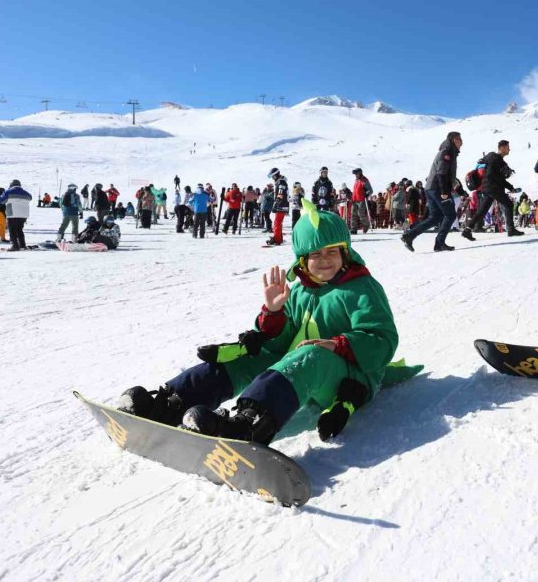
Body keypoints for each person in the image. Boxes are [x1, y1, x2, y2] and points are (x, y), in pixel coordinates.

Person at [117, 199, 413, 446]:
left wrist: (335, 345)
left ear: (345, 252)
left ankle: (249, 423)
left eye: (332, 251)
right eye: (315, 254)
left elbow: (383, 340)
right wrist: (273, 313)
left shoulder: (361, 288)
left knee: (309, 356)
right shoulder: (299, 291)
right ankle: (172, 403)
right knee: (252, 356)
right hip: (302, 368)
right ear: (301, 260)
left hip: (350, 377)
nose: (324, 260)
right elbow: (279, 345)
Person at [401, 131, 462, 252]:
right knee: (450, 215)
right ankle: (439, 243)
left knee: (435, 217)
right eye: (460, 139)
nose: (462, 142)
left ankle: (409, 236)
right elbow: (441, 172)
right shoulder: (448, 151)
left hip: (431, 188)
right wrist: (444, 191)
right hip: (438, 188)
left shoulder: (448, 151)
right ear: (454, 139)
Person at [462, 140, 523, 239]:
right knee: (508, 204)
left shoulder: (492, 158)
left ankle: (467, 230)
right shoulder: (496, 159)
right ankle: (511, 229)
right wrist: (500, 182)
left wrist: (510, 187)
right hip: (493, 188)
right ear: (502, 148)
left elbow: (498, 177)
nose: (509, 150)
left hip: (486, 187)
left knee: (482, 211)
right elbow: (492, 175)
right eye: (508, 147)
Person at [0, 180, 33, 251]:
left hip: (12, 214)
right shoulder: (26, 193)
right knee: (19, 230)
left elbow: (1, 201)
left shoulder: (8, 192)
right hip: (24, 215)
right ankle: (22, 246)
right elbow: (30, 198)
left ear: (11, 185)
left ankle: (15, 246)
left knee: (12, 230)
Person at [268, 168, 289, 246]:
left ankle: (277, 240)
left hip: (281, 205)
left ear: (276, 174)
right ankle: (279, 238)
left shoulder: (281, 182)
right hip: (282, 204)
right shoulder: (279, 182)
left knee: (277, 222)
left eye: (272, 176)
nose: (272, 178)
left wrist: (276, 204)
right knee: (278, 222)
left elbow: (280, 194)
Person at [350, 168, 372, 234]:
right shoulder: (356, 180)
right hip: (354, 199)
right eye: (355, 174)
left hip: (361, 200)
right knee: (353, 214)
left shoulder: (365, 180)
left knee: (360, 214)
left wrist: (366, 193)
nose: (355, 175)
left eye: (356, 174)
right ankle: (353, 229)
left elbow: (370, 190)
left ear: (360, 173)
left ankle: (366, 225)